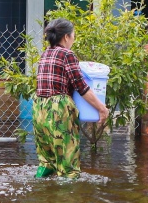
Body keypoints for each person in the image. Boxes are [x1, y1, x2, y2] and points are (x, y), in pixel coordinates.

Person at [33, 18, 109, 179]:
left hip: (39, 108)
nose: (74, 39)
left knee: (47, 161)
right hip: (58, 109)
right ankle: (68, 201)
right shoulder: (67, 54)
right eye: (73, 35)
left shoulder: (45, 54)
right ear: (66, 37)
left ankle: (39, 192)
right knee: (68, 164)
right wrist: (102, 108)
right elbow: (81, 86)